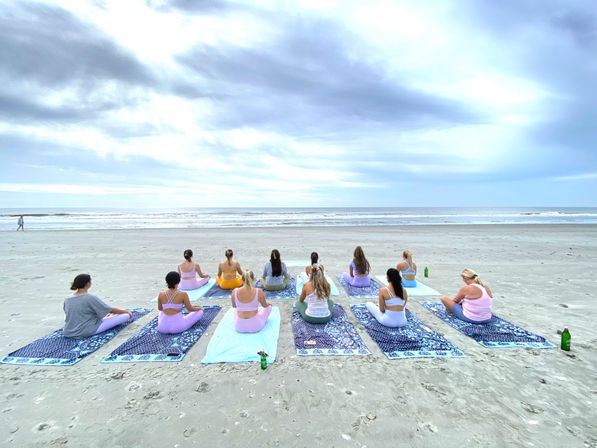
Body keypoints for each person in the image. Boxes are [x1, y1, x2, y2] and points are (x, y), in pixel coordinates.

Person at [63, 274, 132, 339]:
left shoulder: (67, 298)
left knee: (106, 315)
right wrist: (126, 312)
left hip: (68, 331)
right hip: (86, 331)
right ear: (88, 284)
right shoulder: (89, 297)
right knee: (126, 315)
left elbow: (70, 313)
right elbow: (109, 310)